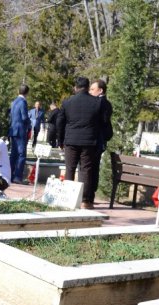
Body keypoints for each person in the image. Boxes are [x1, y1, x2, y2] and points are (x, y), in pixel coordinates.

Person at [57, 76, 108, 210]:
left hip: (71, 140)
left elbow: (60, 122)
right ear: (87, 87)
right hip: (89, 141)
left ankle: (67, 198)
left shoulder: (67, 102)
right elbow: (103, 122)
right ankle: (85, 201)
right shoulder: (97, 103)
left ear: (75, 88)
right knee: (86, 170)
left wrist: (60, 140)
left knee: (70, 168)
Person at [8, 84, 31, 184]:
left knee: (13, 154)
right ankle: (17, 177)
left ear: (18, 91)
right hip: (20, 130)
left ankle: (9, 174)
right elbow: (24, 117)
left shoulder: (14, 102)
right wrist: (30, 126)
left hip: (13, 129)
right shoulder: (23, 102)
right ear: (27, 93)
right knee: (21, 154)